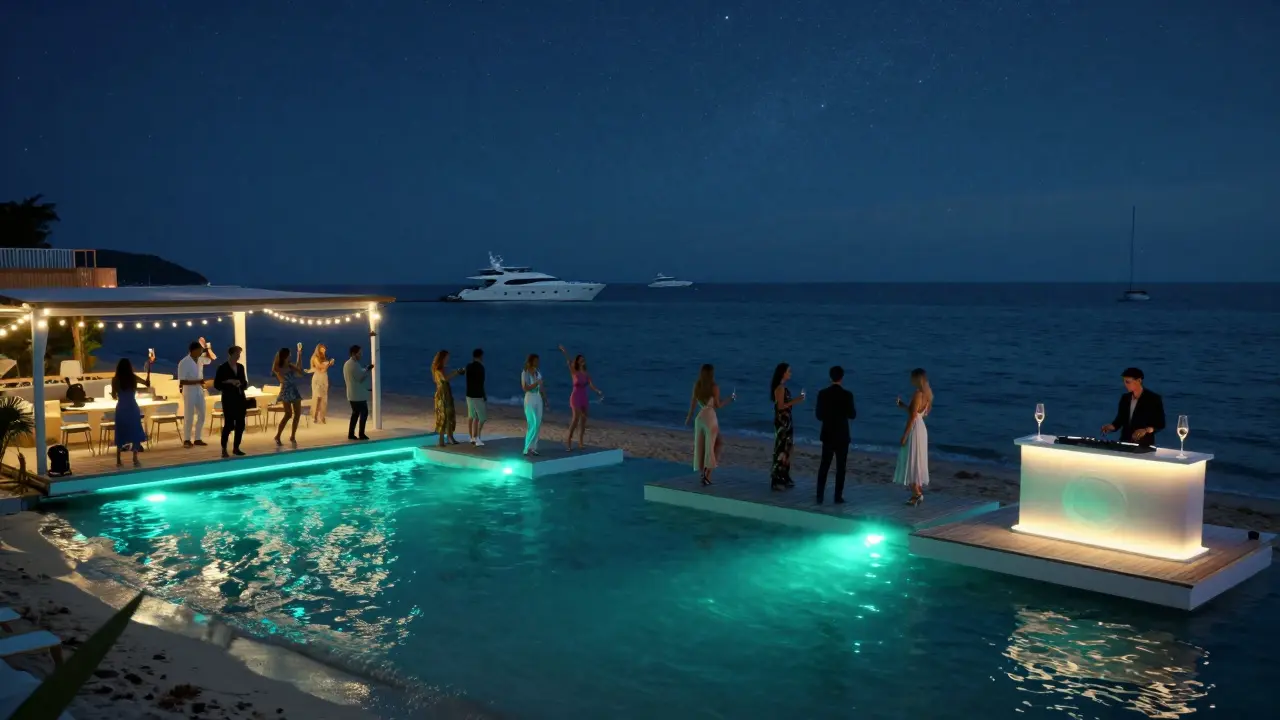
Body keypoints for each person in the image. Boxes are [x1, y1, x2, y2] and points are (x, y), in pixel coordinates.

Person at [685, 363, 735, 485]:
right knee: (715, 445)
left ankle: (705, 473)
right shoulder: (714, 387)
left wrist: (689, 417)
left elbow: (693, 403)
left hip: (700, 418)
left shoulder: (697, 385)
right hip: (710, 417)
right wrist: (730, 399)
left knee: (703, 446)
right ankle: (707, 474)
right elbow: (718, 405)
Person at [815, 365, 857, 504]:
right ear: (842, 378)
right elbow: (852, 415)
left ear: (830, 377)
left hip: (827, 433)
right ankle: (837, 496)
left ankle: (819, 495)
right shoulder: (847, 395)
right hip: (842, 435)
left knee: (824, 465)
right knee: (841, 467)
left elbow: (819, 416)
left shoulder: (822, 393)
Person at [893, 368, 933, 506]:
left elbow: (912, 417)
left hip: (915, 428)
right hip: (921, 428)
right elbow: (919, 413)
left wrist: (904, 435)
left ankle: (917, 494)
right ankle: (917, 492)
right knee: (917, 459)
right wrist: (904, 405)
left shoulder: (917, 394)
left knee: (911, 459)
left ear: (917, 379)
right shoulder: (928, 395)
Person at [1101, 367, 1166, 447]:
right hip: (1124, 442)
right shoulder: (1125, 398)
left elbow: (1160, 424)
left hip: (1144, 444)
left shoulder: (1153, 399)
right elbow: (1119, 420)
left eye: (1128, 382)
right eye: (1124, 382)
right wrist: (1111, 427)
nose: (1125, 385)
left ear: (1139, 381)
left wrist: (1146, 430)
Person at [558, 344, 604, 451]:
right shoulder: (574, 371)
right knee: (575, 419)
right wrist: (564, 351)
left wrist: (597, 391)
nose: (583, 361)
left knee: (583, 420)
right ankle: (568, 442)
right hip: (575, 397)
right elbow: (569, 360)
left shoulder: (586, 374)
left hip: (584, 397)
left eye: (584, 360)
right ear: (578, 362)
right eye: (581, 360)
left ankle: (581, 442)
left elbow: (591, 384)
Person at [111, 352, 153, 467]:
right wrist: (148, 377)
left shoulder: (115, 380)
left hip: (121, 408)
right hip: (132, 407)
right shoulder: (133, 378)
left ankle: (119, 460)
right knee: (135, 431)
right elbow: (146, 384)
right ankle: (135, 459)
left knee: (121, 432)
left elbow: (114, 396)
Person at [769, 362, 805, 491]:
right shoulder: (780, 388)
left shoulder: (782, 387)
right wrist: (797, 400)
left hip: (786, 421)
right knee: (781, 448)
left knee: (787, 448)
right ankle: (776, 477)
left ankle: (784, 475)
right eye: (788, 371)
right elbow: (780, 406)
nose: (790, 373)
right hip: (782, 422)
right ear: (783, 373)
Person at [176, 338, 216, 448]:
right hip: (189, 390)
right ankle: (187, 439)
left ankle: (198, 438)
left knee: (202, 414)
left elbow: (211, 358)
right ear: (192, 351)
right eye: (199, 350)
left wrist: (207, 348)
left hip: (199, 389)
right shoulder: (183, 362)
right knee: (189, 415)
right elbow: (182, 380)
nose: (201, 352)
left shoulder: (200, 359)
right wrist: (198, 381)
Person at [214, 345, 250, 457]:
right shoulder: (222, 367)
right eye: (237, 353)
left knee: (240, 424)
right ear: (231, 354)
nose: (239, 356)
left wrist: (240, 384)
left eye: (239, 354)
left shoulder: (240, 367)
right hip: (228, 399)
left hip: (240, 398)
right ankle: (224, 448)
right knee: (228, 424)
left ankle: (236, 447)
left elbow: (245, 383)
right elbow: (217, 384)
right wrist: (228, 382)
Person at [272, 344, 305, 446]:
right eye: (289, 355)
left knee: (297, 414)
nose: (290, 356)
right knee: (288, 414)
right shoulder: (278, 367)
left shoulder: (290, 366)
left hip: (294, 390)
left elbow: (300, 371)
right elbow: (276, 369)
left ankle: (293, 436)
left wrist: (299, 354)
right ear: (285, 356)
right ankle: (278, 436)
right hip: (285, 390)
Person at [432, 350, 464, 446]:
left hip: (446, 394)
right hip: (442, 396)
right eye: (446, 358)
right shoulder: (438, 370)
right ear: (442, 359)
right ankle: (441, 440)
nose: (447, 360)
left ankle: (450, 437)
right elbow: (445, 378)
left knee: (450, 416)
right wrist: (457, 372)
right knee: (443, 417)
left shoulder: (441, 369)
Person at [344, 345, 373, 440]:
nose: (360, 355)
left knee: (355, 413)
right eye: (359, 353)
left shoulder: (347, 364)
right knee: (364, 413)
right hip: (357, 395)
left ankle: (351, 434)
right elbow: (360, 377)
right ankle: (361, 434)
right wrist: (368, 369)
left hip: (351, 394)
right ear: (353, 354)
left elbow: (358, 374)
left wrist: (364, 370)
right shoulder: (354, 364)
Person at [521, 354, 547, 456]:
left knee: (538, 423)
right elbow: (525, 388)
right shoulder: (525, 373)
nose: (537, 362)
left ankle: (533, 447)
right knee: (532, 423)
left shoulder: (538, 373)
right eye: (535, 360)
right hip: (530, 397)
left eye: (538, 360)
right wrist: (536, 383)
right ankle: (526, 447)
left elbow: (542, 388)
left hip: (538, 398)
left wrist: (545, 399)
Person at [307, 343, 335, 424]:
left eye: (324, 348)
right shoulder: (315, 357)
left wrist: (329, 363)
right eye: (322, 348)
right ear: (318, 349)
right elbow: (320, 368)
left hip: (324, 378)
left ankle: (322, 416)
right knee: (317, 398)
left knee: (324, 398)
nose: (324, 350)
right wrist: (329, 364)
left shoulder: (324, 358)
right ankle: (315, 416)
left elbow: (324, 369)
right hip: (317, 379)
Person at [465, 348, 487, 446]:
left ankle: (472, 437)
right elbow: (481, 383)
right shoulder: (481, 368)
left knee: (472, 416)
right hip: (477, 395)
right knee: (481, 417)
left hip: (469, 394)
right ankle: (477, 437)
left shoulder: (468, 366)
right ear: (480, 356)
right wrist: (484, 395)